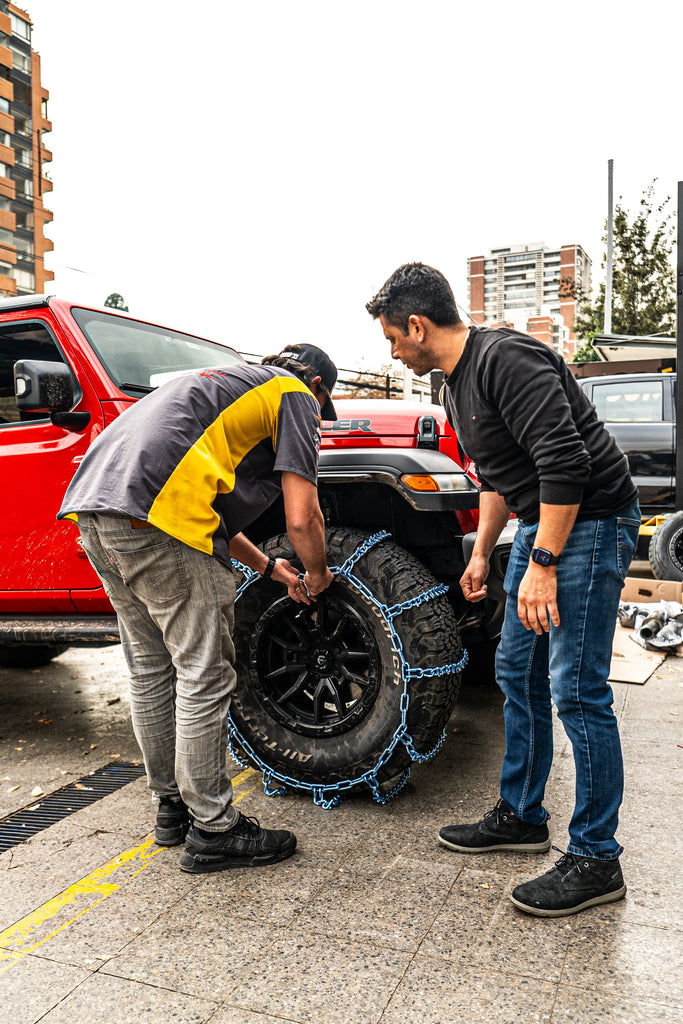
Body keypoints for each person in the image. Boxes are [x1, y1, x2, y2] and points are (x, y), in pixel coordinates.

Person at [366, 263, 640, 917]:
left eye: (391, 340)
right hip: (537, 525)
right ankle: (520, 816)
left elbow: (565, 463)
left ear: (416, 324)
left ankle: (596, 857)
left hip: (590, 519)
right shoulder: (452, 385)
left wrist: (542, 561)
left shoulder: (506, 358)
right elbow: (494, 478)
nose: (393, 352)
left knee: (576, 688)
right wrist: (483, 553)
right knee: (516, 668)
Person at [58, 344, 338, 874]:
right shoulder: (295, 394)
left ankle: (172, 808)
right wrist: (318, 572)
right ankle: (215, 830)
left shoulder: (214, 384)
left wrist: (268, 568)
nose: (318, 422)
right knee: (204, 673)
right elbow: (303, 519)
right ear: (319, 387)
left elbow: (195, 496)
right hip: (158, 521)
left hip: (97, 512)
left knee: (150, 668)